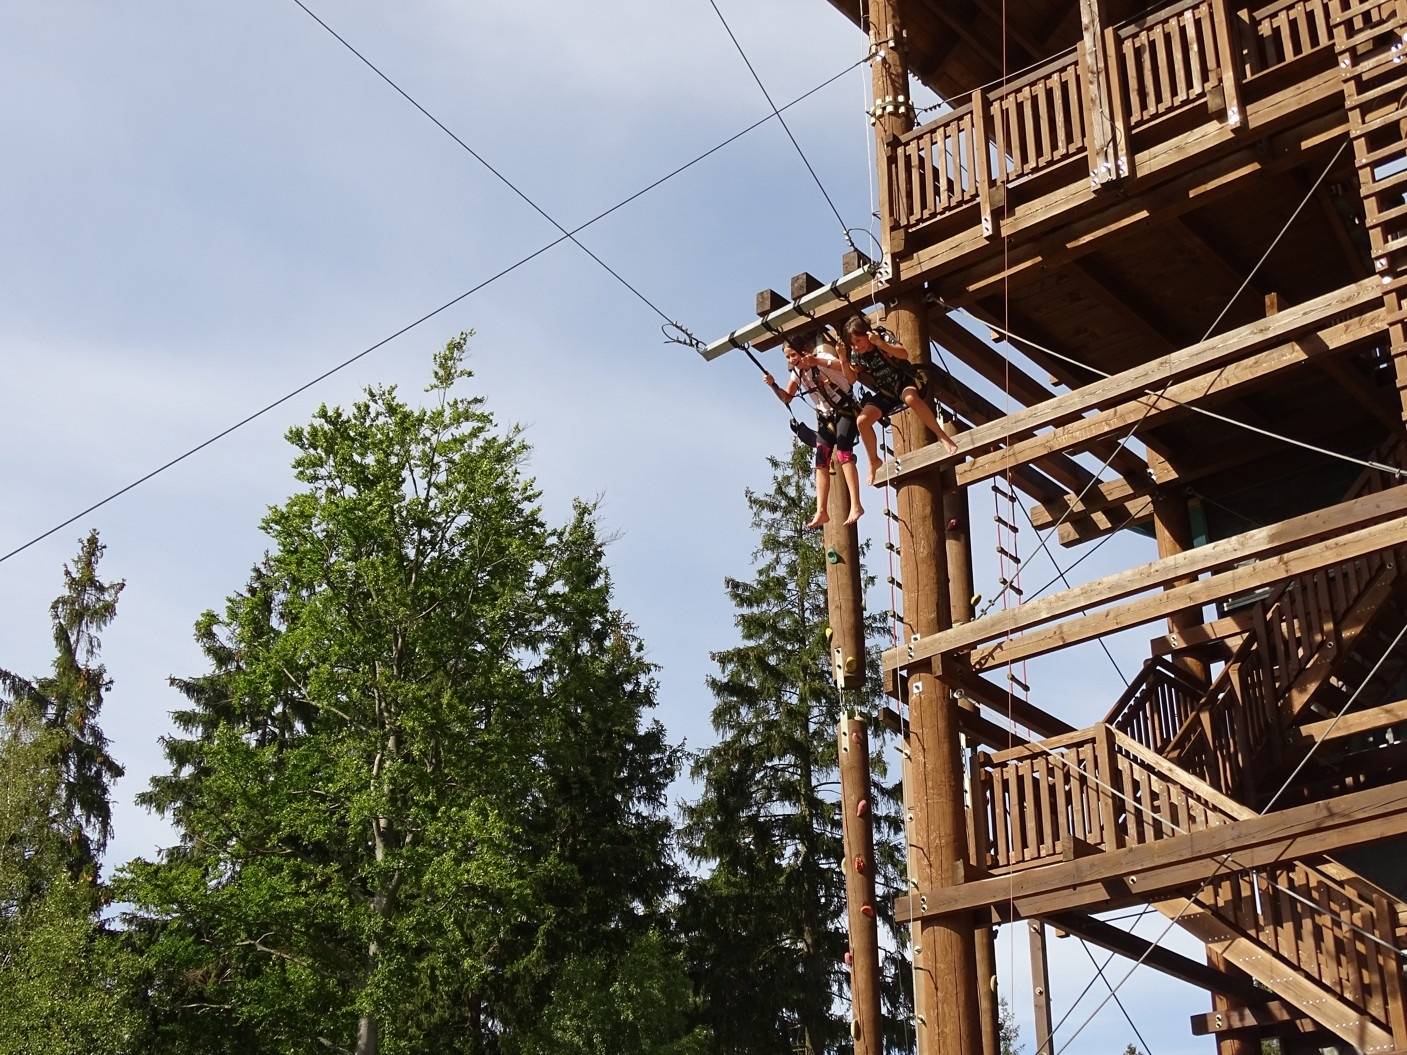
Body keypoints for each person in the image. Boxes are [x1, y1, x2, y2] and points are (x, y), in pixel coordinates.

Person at [840, 314, 959, 486]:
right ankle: (874, 460)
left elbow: (904, 354)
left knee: (910, 398)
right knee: (862, 421)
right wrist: (843, 359)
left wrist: (880, 343)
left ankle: (941, 435)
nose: (856, 347)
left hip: (904, 381)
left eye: (858, 341)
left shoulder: (882, 337)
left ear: (867, 334)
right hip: (886, 392)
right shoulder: (856, 356)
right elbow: (851, 379)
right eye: (852, 344)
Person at [763, 332, 865, 527]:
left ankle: (856, 505)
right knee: (820, 461)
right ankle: (821, 511)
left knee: (844, 454)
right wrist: (773, 384)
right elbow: (787, 398)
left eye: (793, 355)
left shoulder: (823, 359)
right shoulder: (797, 373)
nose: (791, 360)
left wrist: (816, 361)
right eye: (788, 357)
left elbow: (849, 371)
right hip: (826, 417)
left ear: (804, 351)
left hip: (844, 409)